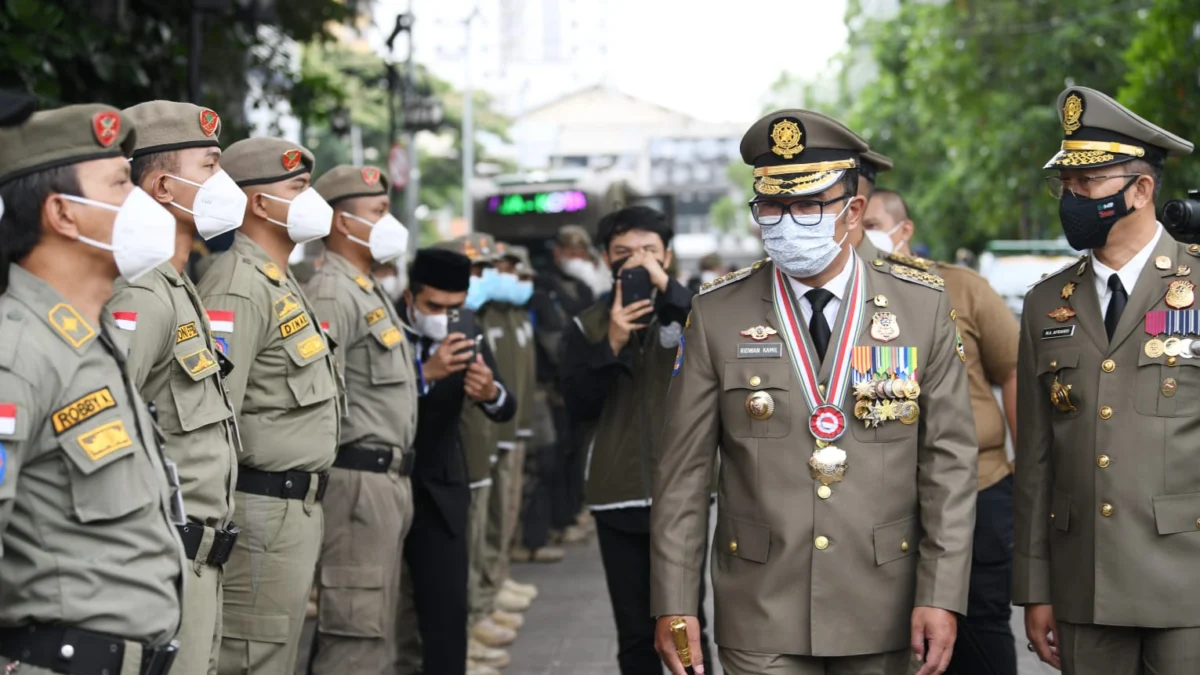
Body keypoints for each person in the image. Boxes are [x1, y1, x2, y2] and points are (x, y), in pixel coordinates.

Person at [652, 109, 978, 675]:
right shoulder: (717, 313)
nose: (785, 221)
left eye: (806, 205)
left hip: (885, 599)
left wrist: (942, 592)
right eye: (771, 207)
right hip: (759, 604)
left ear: (853, 211)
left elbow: (949, 464)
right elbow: (682, 475)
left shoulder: (920, 307)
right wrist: (676, 604)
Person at [1015, 87, 1196, 675]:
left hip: (1188, 583)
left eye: (1087, 182)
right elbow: (1037, 462)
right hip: (1083, 585)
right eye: (1064, 184)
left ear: (1141, 189)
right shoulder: (1046, 303)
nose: (1071, 197)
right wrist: (1035, 586)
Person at [0, 103, 186, 675]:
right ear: (63, 214)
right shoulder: (17, 352)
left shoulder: (92, 339)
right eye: (122, 184)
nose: (142, 204)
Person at [105, 100, 243, 675]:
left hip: (201, 558)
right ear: (163, 187)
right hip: (165, 560)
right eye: (211, 166)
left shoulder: (180, 286)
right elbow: (109, 433)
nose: (225, 184)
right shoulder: (141, 294)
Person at [195, 138, 341, 675]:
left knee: (274, 655)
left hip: (292, 509)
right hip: (260, 508)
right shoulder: (237, 285)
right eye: (298, 188)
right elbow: (216, 414)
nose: (312, 199)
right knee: (250, 658)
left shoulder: (278, 280)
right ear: (258, 203)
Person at [864, 188, 1021, 675]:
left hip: (977, 489)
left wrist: (1031, 473)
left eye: (871, 222)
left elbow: (1013, 369)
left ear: (903, 230)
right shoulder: (845, 298)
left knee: (979, 636)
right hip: (884, 507)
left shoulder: (962, 288)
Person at [560, 205, 708, 674]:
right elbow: (579, 403)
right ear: (606, 259)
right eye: (624, 253)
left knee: (688, 625)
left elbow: (719, 353)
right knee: (635, 633)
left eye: (648, 251)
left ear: (667, 255)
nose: (637, 261)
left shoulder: (696, 312)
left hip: (683, 491)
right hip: (616, 493)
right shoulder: (587, 325)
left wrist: (668, 291)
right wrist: (613, 345)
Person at [302, 165, 418, 674]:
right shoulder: (332, 291)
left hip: (383, 480)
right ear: (344, 223)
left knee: (374, 631)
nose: (389, 222)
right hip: (355, 481)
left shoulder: (365, 288)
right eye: (377, 212)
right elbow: (319, 395)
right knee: (354, 632)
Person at [401, 247, 516, 675]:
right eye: (433, 306)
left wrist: (490, 393)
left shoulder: (468, 327)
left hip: (442, 489)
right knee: (375, 615)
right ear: (410, 298)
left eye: (455, 306)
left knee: (446, 616)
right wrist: (423, 375)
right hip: (382, 484)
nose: (444, 316)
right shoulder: (385, 322)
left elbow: (506, 404)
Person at [540, 225, 600, 545]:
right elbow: (553, 339)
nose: (577, 258)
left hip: (584, 380)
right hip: (557, 384)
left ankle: (576, 509)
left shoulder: (583, 288)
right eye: (571, 252)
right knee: (559, 455)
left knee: (578, 451)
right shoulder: (545, 286)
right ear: (558, 252)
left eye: (581, 252)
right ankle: (560, 519)